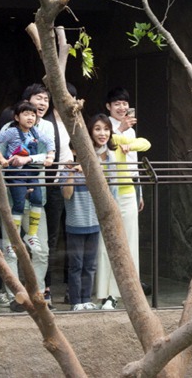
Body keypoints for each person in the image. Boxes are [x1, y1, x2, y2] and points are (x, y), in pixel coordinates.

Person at [0, 83, 55, 312]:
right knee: (11, 248)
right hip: (12, 194)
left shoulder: (44, 129)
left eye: (46, 99)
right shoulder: (10, 129)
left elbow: (49, 157)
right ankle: (15, 296)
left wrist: (32, 159)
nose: (42, 104)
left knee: (40, 249)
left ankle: (36, 294)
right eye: (38, 99)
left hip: (37, 196)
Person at [94, 96, 151, 310]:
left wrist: (140, 191)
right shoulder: (105, 128)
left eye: (125, 104)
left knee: (130, 241)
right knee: (107, 242)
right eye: (117, 103)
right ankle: (107, 293)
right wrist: (118, 131)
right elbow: (104, 144)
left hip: (130, 189)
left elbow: (140, 151)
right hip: (109, 192)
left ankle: (130, 291)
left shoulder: (129, 129)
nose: (122, 107)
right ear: (108, 106)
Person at [60, 114, 118, 311]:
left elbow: (109, 189)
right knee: (75, 265)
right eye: (77, 148)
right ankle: (76, 301)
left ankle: (86, 299)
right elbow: (67, 195)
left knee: (90, 265)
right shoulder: (67, 168)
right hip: (75, 224)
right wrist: (70, 173)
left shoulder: (101, 164)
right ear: (74, 150)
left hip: (94, 223)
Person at [0, 101, 54, 254]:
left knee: (38, 199)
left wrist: (51, 155)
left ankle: (31, 235)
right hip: (16, 174)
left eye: (33, 115)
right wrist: (1, 159)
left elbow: (50, 141)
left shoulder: (35, 132)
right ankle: (15, 241)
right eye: (26, 114)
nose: (30, 118)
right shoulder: (12, 132)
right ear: (17, 117)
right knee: (18, 204)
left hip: (31, 172)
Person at [42, 83, 77, 306]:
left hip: (73, 183)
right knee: (51, 239)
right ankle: (45, 288)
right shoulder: (46, 123)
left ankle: (71, 289)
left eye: (72, 97)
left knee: (73, 235)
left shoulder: (76, 120)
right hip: (52, 184)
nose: (68, 100)